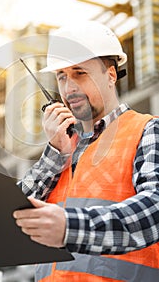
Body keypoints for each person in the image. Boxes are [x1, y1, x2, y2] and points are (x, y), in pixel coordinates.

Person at [13, 20, 159, 281]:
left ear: (111, 74)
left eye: (80, 73)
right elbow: (11, 217)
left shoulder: (147, 131)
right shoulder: (63, 148)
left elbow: (155, 209)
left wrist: (69, 227)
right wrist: (54, 152)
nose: (69, 88)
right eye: (61, 76)